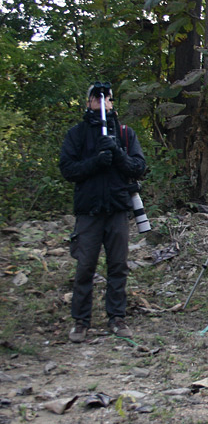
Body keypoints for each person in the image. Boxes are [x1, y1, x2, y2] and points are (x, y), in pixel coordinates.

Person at [59, 82, 146, 342]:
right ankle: (81, 321)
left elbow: (138, 167)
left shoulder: (125, 133)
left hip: (118, 209)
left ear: (112, 103)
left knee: (118, 265)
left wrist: (118, 155)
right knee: (85, 266)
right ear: (88, 103)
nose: (101, 102)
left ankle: (116, 317)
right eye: (96, 98)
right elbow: (68, 169)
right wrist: (95, 162)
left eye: (106, 98)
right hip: (89, 212)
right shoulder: (77, 134)